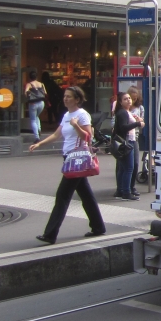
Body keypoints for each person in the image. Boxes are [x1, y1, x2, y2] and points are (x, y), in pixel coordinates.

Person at [30, 86, 105, 244]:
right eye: (65, 96)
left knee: (62, 196)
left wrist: (76, 125)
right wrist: (39, 144)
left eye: (69, 96)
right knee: (86, 195)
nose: (65, 99)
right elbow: (57, 134)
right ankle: (98, 227)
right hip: (69, 158)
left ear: (77, 99)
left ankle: (50, 234)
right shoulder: (66, 115)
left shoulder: (82, 114)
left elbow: (88, 137)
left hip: (77, 159)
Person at [113, 91, 143, 200]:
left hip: (129, 140)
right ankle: (126, 192)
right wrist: (137, 123)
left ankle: (120, 190)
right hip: (127, 142)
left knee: (123, 168)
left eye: (129, 98)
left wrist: (136, 120)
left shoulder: (126, 112)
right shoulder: (122, 112)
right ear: (120, 102)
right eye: (125, 99)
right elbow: (123, 127)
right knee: (129, 168)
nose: (129, 100)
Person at [127, 86, 145, 197]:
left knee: (135, 163)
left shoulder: (140, 108)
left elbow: (142, 122)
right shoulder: (124, 108)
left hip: (135, 136)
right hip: (124, 137)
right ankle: (123, 187)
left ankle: (132, 186)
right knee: (124, 165)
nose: (133, 101)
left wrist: (139, 121)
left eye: (135, 98)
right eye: (131, 98)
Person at [24, 69, 47, 142]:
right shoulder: (41, 84)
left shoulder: (29, 84)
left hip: (33, 103)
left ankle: (37, 137)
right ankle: (39, 129)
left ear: (30, 77)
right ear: (36, 77)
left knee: (33, 120)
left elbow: (26, 92)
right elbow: (45, 93)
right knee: (37, 116)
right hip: (41, 103)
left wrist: (29, 95)